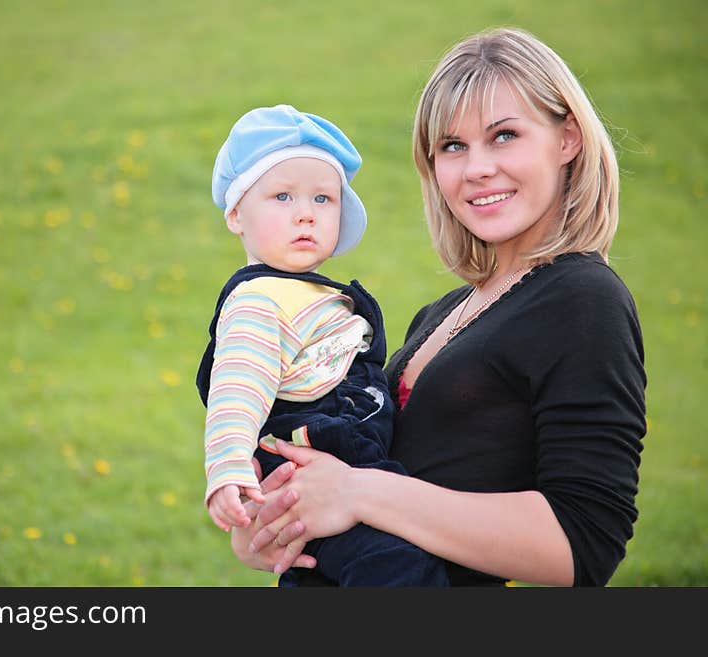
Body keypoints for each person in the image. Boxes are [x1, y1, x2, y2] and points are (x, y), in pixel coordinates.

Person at [232, 27, 647, 587]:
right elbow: (367, 480)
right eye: (453, 146)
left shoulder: (583, 299)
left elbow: (583, 544)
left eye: (504, 136)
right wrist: (276, 513)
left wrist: (359, 492)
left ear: (567, 138)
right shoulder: (443, 313)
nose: (476, 168)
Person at [196, 104, 448, 586]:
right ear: (235, 214)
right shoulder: (260, 300)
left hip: (347, 470)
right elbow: (238, 387)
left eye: (323, 199)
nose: (305, 215)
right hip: (307, 468)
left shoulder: (311, 293)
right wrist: (228, 467)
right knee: (398, 569)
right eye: (282, 196)